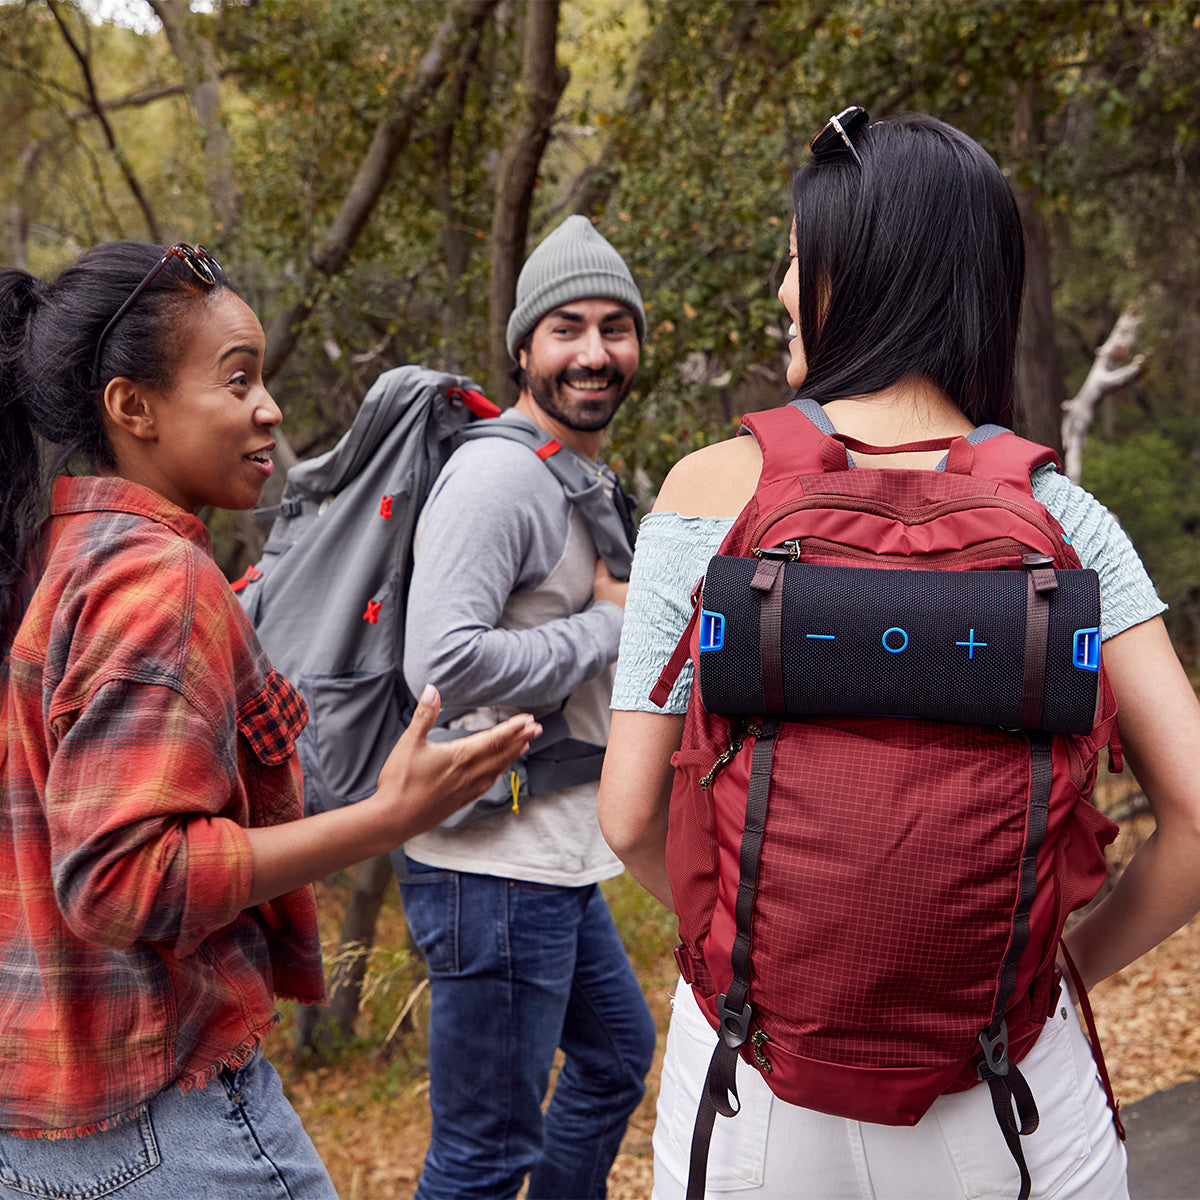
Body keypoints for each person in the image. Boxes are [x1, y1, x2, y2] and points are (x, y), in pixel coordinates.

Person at [597, 109, 1200, 1199]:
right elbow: (1199, 813)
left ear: (849, 270)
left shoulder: (705, 494)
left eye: (793, 258)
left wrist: (767, 964)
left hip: (751, 1085)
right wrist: (1049, 974)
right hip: (1009, 1089)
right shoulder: (1063, 516)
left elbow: (629, 815)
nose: (781, 290)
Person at [0, 240, 539, 1199]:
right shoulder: (157, 580)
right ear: (133, 408)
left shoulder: (49, 559)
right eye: (238, 379)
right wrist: (386, 818)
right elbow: (123, 881)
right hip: (165, 1115)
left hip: (39, 1114)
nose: (269, 409)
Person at [396, 215, 658, 1199]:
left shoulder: (578, 476)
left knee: (613, 1059)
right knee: (481, 1151)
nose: (594, 352)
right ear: (523, 348)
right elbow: (444, 663)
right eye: (566, 329)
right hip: (485, 867)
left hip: (541, 857)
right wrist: (609, 626)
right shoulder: (500, 474)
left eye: (614, 328)